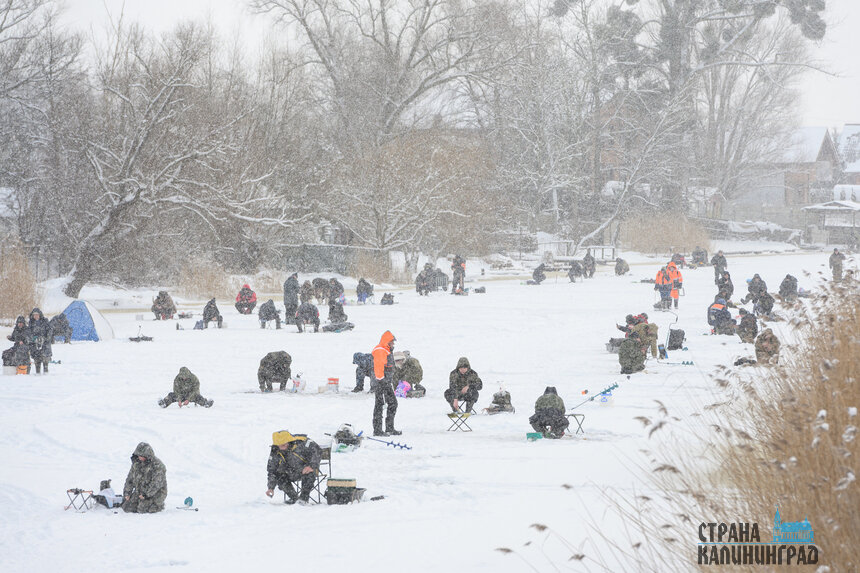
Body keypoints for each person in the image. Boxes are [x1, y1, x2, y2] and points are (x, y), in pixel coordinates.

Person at [265, 431, 322, 505]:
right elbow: (272, 470)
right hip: (290, 473)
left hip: (306, 469)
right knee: (280, 477)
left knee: (309, 474)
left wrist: (312, 466)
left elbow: (317, 451)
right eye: (281, 446)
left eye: (285, 444)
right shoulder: (275, 451)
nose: (283, 447)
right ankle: (294, 498)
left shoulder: (302, 442)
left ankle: (303, 499)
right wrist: (271, 487)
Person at [122, 442, 167, 513]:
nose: (139, 457)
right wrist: (127, 493)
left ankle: (158, 505)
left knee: (142, 509)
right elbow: (130, 479)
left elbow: (156, 484)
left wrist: (146, 494)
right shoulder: (136, 463)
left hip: (155, 493)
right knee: (127, 508)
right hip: (140, 491)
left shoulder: (158, 466)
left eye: (141, 456)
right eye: (138, 455)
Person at [371, 331, 400, 436]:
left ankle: (389, 428)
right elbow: (379, 368)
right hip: (381, 382)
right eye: (392, 342)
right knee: (379, 405)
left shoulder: (387, 350)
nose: (393, 344)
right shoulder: (381, 350)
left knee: (392, 403)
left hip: (386, 382)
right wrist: (382, 381)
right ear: (388, 342)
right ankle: (378, 431)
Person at [28, 308, 52, 374]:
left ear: (40, 314)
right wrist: (33, 339)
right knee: (37, 358)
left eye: (37, 314)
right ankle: (37, 372)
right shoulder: (31, 322)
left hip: (45, 343)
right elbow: (29, 333)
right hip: (34, 343)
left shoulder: (45, 321)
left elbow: (49, 330)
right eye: (34, 315)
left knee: (45, 358)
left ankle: (46, 372)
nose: (35, 316)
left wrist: (45, 338)